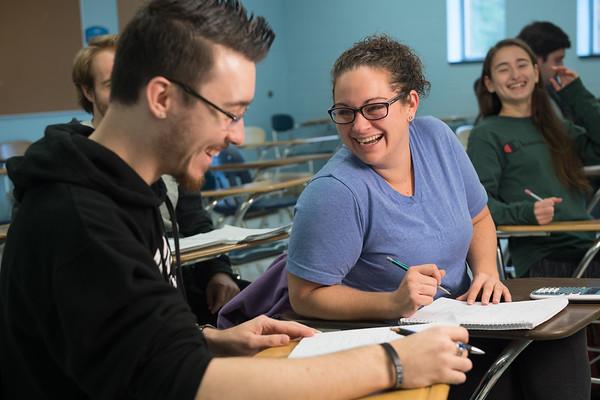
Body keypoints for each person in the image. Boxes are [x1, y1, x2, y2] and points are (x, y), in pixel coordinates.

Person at [0, 1, 473, 399]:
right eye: (230, 112)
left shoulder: (126, 189)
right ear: (162, 98)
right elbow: (184, 382)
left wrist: (211, 339)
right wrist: (394, 361)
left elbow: (124, 341)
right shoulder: (78, 219)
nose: (239, 135)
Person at [286, 34, 590, 400]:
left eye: (374, 108)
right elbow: (304, 296)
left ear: (410, 103)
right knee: (510, 377)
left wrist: (487, 274)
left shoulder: (436, 139)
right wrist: (392, 302)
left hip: (466, 315)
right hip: (396, 340)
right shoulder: (335, 192)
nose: (359, 126)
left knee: (561, 341)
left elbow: (479, 217)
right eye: (345, 112)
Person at [72, 34, 243, 324]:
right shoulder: (77, 177)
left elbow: (194, 219)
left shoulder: (167, 153)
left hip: (182, 286)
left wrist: (218, 271)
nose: (129, 95)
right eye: (113, 85)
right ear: (88, 92)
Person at [468, 38, 600, 279]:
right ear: (489, 83)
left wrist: (577, 95)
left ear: (536, 73)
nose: (515, 74)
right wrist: (527, 213)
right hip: (546, 256)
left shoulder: (557, 128)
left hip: (589, 246)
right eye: (503, 69)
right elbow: (477, 206)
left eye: (522, 65)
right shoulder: (486, 134)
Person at [517, 21, 581, 124]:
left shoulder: (551, 90)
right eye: (557, 60)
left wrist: (573, 95)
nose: (561, 67)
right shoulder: (520, 103)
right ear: (536, 60)